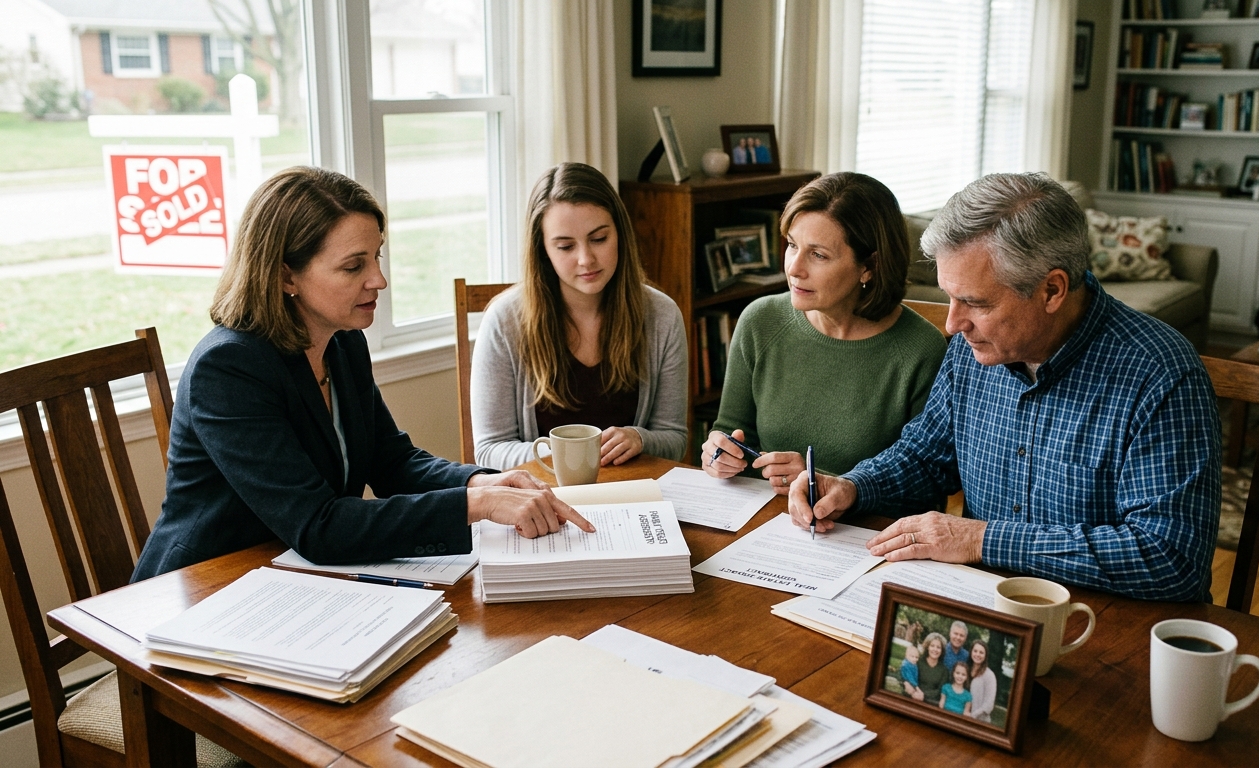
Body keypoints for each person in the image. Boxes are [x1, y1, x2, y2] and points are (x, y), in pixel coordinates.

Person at [132, 167, 593, 581]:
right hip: (205, 586)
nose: (379, 280)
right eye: (354, 265)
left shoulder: (342, 342)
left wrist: (482, 482)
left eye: (377, 258)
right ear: (285, 276)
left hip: (291, 574)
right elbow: (318, 525)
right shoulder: (228, 369)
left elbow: (393, 463)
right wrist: (476, 506)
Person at [789, 172, 1222, 601]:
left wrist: (982, 540)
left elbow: (1170, 557)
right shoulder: (973, 348)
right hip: (983, 607)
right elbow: (925, 457)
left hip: (1107, 623)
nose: (953, 324)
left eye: (976, 303)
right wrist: (855, 486)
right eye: (949, 297)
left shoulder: (1159, 372)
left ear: (1052, 289)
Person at [700, 172, 947, 496]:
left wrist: (822, 481)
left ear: (869, 266)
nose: (794, 268)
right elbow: (731, 431)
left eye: (818, 254)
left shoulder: (921, 350)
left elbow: (925, 484)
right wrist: (718, 454)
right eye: (792, 245)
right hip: (764, 522)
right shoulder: (760, 321)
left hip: (862, 535)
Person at [471, 162, 688, 470]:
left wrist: (640, 439)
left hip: (632, 496)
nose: (586, 259)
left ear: (620, 234)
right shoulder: (504, 322)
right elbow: (490, 450)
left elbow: (675, 439)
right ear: (543, 249)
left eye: (599, 239)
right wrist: (567, 456)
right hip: (541, 500)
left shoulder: (662, 316)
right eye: (565, 246)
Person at [914, 632, 950, 704]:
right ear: (927, 647)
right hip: (914, 698)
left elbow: (940, 691)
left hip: (931, 703)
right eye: (932, 646)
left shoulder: (944, 670)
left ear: (942, 650)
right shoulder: (918, 662)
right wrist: (915, 693)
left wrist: (922, 695)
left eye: (938, 647)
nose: (935, 649)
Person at [968, 639, 998, 723]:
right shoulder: (966, 669)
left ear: (985, 656)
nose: (977, 654)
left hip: (980, 721)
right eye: (975, 651)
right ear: (971, 652)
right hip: (963, 715)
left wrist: (973, 715)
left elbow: (989, 704)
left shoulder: (989, 675)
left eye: (981, 652)